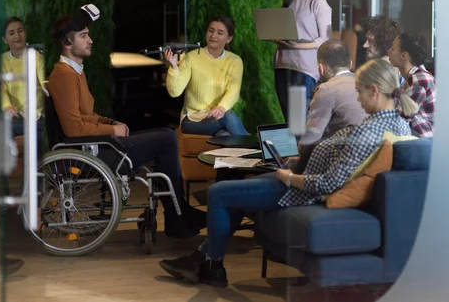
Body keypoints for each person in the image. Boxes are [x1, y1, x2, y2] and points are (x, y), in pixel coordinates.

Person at [158, 58, 416, 288]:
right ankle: (203, 259)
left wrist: (290, 177)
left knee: (219, 194)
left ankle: (211, 266)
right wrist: (298, 163)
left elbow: (329, 184)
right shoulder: (397, 123)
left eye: (359, 92)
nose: (358, 99)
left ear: (374, 90)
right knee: (238, 191)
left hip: (301, 190)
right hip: (302, 178)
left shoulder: (368, 131)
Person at [46, 7, 206, 238]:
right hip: (89, 152)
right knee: (167, 138)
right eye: (84, 36)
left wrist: (110, 122)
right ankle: (176, 215)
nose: (90, 40)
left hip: (95, 145)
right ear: (67, 44)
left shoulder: (74, 71)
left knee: (164, 134)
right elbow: (74, 128)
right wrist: (112, 129)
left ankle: (177, 212)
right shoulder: (64, 75)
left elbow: (84, 115)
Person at [290, 39, 367, 174]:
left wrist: (295, 161)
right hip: (367, 162)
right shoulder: (367, 83)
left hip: (340, 167)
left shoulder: (327, 89)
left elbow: (310, 138)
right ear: (350, 63)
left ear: (321, 68)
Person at [165, 16, 248, 137]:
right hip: (192, 120)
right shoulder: (191, 57)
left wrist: (221, 108)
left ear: (229, 39)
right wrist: (174, 67)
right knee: (228, 116)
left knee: (224, 135)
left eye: (220, 33)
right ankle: (257, 148)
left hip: (216, 117)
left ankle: (253, 150)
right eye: (210, 30)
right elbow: (174, 92)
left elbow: (234, 90)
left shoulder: (235, 61)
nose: (213, 36)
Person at [274, 0, 332, 120]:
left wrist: (297, 45)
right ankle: (294, 147)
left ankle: (301, 148)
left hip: (303, 68)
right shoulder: (290, 0)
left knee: (299, 122)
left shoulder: (318, 2)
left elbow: (325, 39)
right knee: (289, 121)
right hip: (282, 64)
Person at [0, 17, 47, 156]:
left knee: (38, 145)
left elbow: (44, 82)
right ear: (5, 39)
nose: (17, 36)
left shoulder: (37, 57)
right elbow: (2, 88)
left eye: (20, 31)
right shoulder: (2, 60)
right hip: (14, 117)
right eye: (12, 33)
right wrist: (7, 106)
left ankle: (35, 175)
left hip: (36, 116)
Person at [388, 32, 436, 137]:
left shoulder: (420, 80)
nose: (388, 51)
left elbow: (401, 120)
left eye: (392, 48)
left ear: (404, 56)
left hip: (423, 143)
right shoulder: (414, 77)